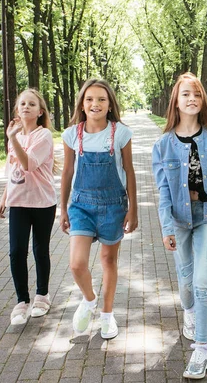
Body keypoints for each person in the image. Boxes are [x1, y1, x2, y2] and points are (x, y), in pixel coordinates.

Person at [152, 72, 207, 379]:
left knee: (202, 282)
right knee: (186, 282)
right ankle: (189, 313)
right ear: (175, 102)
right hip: (178, 220)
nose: (192, 99)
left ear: (203, 101)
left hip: (205, 218)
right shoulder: (163, 145)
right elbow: (163, 192)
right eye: (186, 94)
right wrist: (165, 227)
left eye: (197, 95)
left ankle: (201, 349)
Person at [59, 79, 138, 340]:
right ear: (82, 104)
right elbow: (68, 171)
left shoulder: (120, 133)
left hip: (113, 206)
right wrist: (64, 208)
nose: (96, 104)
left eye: (102, 99)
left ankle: (107, 316)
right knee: (76, 263)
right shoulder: (72, 134)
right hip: (81, 205)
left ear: (110, 104)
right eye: (90, 99)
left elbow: (129, 171)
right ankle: (89, 300)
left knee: (108, 261)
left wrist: (133, 209)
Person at [0, 89, 58, 326]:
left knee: (40, 250)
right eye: (22, 103)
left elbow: (29, 164)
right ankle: (22, 301)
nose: (26, 107)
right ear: (17, 109)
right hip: (18, 202)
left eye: (32, 104)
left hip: (42, 202)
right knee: (16, 251)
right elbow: (12, 171)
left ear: (40, 111)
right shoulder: (15, 136)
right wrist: (4, 197)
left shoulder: (44, 136)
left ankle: (42, 295)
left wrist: (12, 138)